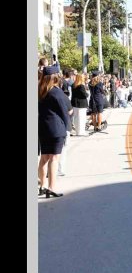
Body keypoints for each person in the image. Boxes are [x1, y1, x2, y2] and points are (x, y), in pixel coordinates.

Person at [38, 65, 71, 198]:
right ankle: (51, 188)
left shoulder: (40, 90)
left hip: (43, 128)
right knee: (54, 158)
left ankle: (42, 185)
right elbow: (65, 112)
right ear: (55, 77)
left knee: (44, 158)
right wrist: (67, 128)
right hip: (56, 129)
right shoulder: (56, 92)